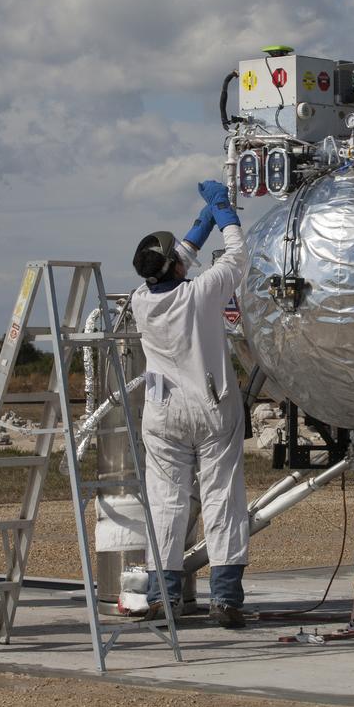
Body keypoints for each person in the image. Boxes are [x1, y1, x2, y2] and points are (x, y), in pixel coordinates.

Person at [131, 179, 249, 628]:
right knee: (222, 497)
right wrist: (223, 214)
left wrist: (199, 227)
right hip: (210, 406)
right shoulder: (201, 294)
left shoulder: (143, 300)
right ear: (177, 268)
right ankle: (226, 598)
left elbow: (175, 260)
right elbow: (238, 258)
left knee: (166, 503)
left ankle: (163, 595)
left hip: (162, 413)